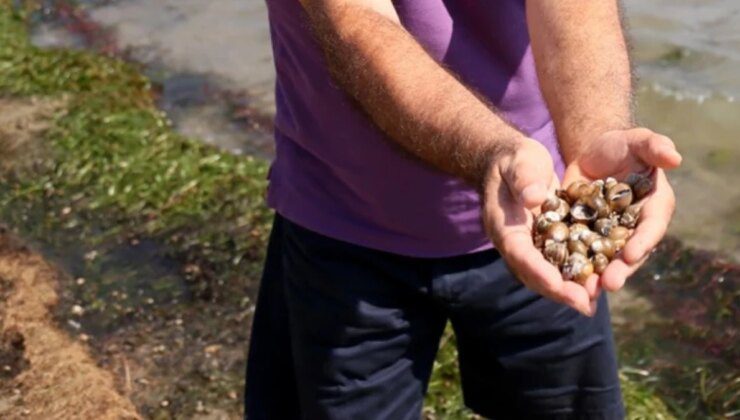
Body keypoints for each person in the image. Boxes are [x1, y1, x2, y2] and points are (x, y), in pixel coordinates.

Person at [245, 0, 682, 418]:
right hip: (341, 219)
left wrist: (596, 135)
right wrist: (492, 154)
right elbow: (353, 19)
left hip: (540, 205)